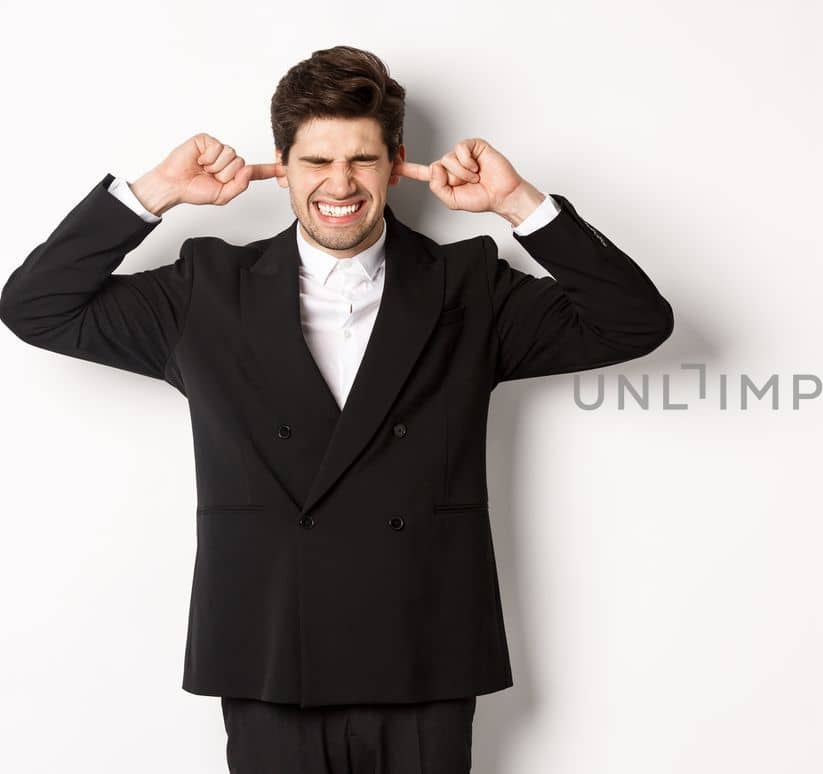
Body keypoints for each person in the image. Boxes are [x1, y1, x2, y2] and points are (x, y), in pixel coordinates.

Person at [0, 45, 673, 773]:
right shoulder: (208, 288)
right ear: (281, 165)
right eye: (316, 161)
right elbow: (35, 307)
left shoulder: (468, 285)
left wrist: (519, 204)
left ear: (396, 163)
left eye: (362, 159)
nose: (339, 184)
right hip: (270, 658)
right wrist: (154, 191)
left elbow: (634, 321)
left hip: (424, 654)